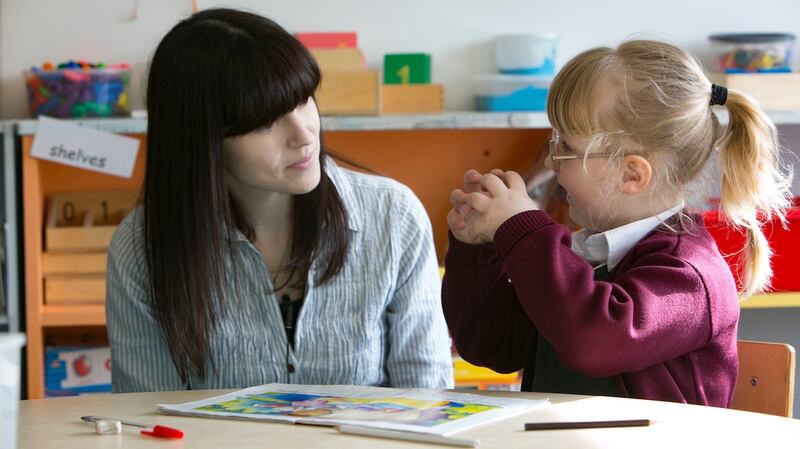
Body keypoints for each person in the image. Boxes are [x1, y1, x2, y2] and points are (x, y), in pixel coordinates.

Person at [106, 8, 453, 392]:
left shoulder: (393, 217)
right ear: (202, 142)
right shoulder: (142, 248)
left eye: (304, 100)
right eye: (266, 123)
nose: (304, 135)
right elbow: (146, 420)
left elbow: (427, 403)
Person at [442, 39, 792, 407]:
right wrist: (479, 250)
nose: (551, 163)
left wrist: (524, 229)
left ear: (631, 174)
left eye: (565, 148)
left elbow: (593, 340)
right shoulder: (584, 255)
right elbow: (491, 347)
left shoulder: (690, 276)